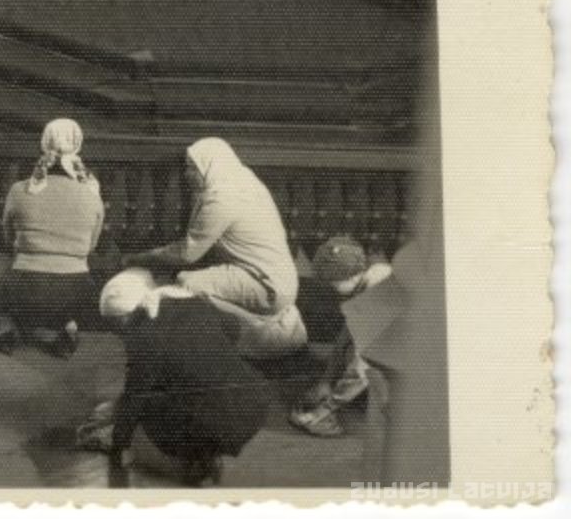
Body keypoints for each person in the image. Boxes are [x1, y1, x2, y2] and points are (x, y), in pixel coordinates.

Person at [93, 268, 272, 488]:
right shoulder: (192, 302)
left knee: (146, 404)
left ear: (127, 316)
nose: (115, 333)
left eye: (114, 325)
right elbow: (233, 326)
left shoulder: (144, 335)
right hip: (252, 405)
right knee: (182, 387)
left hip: (213, 420)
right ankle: (207, 447)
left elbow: (135, 396)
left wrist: (118, 445)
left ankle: (198, 456)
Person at [123, 138, 299, 322]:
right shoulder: (242, 179)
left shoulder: (221, 197)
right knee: (188, 277)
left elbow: (187, 254)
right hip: (279, 280)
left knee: (187, 282)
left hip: (268, 288)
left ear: (210, 166)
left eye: (193, 168)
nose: (187, 174)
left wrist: (140, 258)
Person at [0, 118, 104, 358]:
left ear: (43, 145)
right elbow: (92, 246)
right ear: (78, 146)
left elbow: (9, 239)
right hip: (76, 291)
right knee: (85, 264)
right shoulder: (92, 194)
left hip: (25, 289)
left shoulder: (19, 190)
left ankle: (7, 326)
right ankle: (69, 326)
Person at [289, 235, 394, 437]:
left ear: (351, 276)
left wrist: (324, 410)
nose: (330, 289)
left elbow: (363, 365)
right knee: (351, 351)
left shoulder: (378, 292)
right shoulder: (368, 276)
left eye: (332, 283)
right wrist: (326, 381)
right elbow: (346, 336)